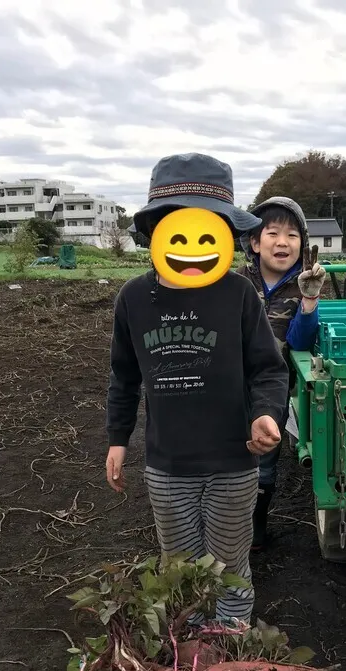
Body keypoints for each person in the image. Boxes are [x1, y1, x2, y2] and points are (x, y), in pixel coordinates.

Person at [105, 153, 289, 623]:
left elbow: (267, 368)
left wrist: (266, 413)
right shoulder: (134, 298)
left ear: (226, 233)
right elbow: (124, 376)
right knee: (180, 569)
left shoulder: (238, 294)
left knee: (230, 566)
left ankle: (231, 641)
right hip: (168, 465)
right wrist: (117, 440)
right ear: (157, 229)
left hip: (232, 461)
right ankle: (188, 651)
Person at [236, 197, 326, 550]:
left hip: (274, 388)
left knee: (265, 457)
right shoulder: (236, 284)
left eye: (292, 234)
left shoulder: (304, 284)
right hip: (231, 385)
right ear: (255, 242)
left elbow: (301, 341)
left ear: (302, 244)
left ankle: (257, 525)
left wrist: (309, 302)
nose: (282, 241)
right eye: (272, 232)